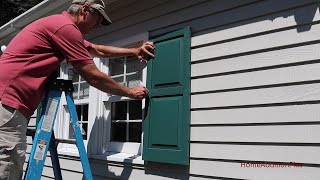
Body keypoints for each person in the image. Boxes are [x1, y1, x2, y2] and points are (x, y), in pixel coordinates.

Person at [0, 0, 154, 179]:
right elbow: (93, 76)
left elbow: (97, 50)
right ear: (85, 10)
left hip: (9, 101)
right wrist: (129, 92)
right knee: (8, 166)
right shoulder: (65, 28)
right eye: (98, 18)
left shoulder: (59, 25)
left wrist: (133, 51)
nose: (99, 25)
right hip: (8, 100)